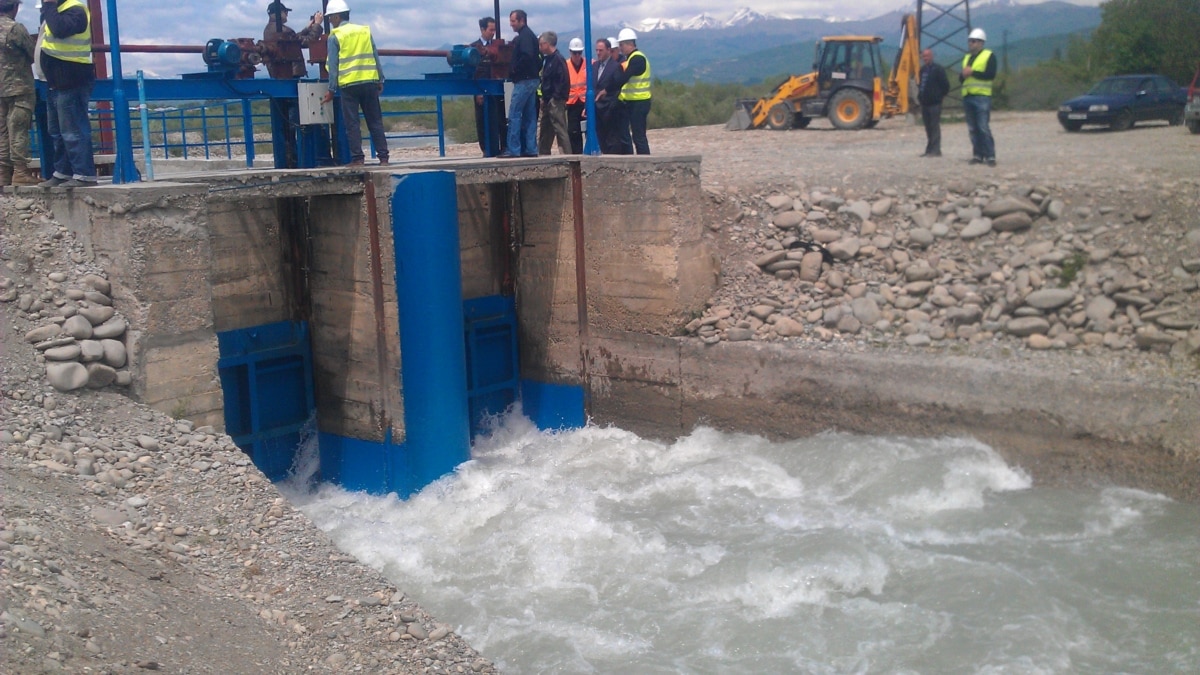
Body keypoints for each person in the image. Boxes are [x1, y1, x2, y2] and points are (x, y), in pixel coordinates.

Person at [320, 0, 388, 166]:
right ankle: (384, 158)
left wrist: (331, 90)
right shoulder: (364, 31)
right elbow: (375, 56)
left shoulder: (335, 36)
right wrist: (380, 79)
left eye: (330, 18)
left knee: (352, 124)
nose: (329, 21)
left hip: (349, 86)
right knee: (375, 121)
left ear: (337, 16)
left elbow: (334, 66)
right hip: (369, 82)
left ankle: (358, 159)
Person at [37, 0, 97, 188]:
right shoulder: (54, 10)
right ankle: (62, 172)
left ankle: (84, 174)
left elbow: (60, 29)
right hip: (55, 81)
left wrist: (48, 6)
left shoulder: (76, 10)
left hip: (72, 79)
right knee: (57, 131)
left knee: (74, 130)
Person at [262, 1, 323, 168]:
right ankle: (298, 160)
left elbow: (294, 39)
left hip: (278, 79)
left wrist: (307, 27)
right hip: (292, 79)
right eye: (285, 13)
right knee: (297, 123)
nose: (287, 16)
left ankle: (288, 161)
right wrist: (317, 26)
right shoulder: (284, 31)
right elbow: (305, 42)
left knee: (284, 125)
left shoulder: (269, 30)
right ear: (279, 14)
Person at [0, 0, 37, 187]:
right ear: (14, 8)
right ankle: (20, 173)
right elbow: (33, 54)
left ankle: (3, 174)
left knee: (3, 131)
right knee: (18, 129)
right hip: (19, 87)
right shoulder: (15, 28)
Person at [499, 9, 538, 158]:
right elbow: (537, 59)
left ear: (521, 20)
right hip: (532, 79)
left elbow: (527, 56)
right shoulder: (531, 36)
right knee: (529, 115)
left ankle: (513, 149)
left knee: (514, 113)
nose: (511, 24)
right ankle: (531, 148)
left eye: (513, 21)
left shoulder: (524, 37)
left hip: (524, 80)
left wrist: (515, 69)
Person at [960, 27, 996, 166]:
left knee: (983, 127)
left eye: (974, 41)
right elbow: (962, 77)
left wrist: (972, 72)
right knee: (972, 129)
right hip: (968, 96)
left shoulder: (989, 55)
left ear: (981, 43)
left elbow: (990, 75)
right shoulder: (967, 58)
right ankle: (978, 155)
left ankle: (990, 155)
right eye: (970, 41)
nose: (971, 44)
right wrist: (963, 75)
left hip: (982, 96)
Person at [470, 16, 505, 156]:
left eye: (494, 30)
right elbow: (474, 71)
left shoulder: (497, 47)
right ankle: (486, 148)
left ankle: (500, 147)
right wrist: (478, 91)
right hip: (481, 87)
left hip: (496, 88)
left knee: (499, 117)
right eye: (490, 30)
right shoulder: (474, 48)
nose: (493, 33)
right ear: (483, 29)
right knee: (482, 118)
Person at [614, 28, 651, 155]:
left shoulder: (637, 59)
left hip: (639, 101)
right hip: (632, 101)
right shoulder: (632, 58)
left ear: (629, 44)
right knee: (635, 135)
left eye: (621, 45)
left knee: (639, 136)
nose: (620, 48)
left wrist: (608, 89)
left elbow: (625, 77)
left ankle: (645, 163)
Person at [536, 30, 570, 155]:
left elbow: (563, 80)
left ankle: (567, 155)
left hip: (555, 101)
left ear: (547, 44)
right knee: (545, 130)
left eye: (541, 44)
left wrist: (555, 98)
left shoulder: (558, 60)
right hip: (547, 100)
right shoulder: (548, 60)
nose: (540, 47)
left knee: (560, 129)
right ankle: (543, 153)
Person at [592, 37, 623, 154]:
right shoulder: (594, 67)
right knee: (601, 137)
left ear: (609, 50)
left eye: (601, 50)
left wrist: (610, 105)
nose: (598, 53)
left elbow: (617, 88)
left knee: (612, 139)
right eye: (597, 50)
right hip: (597, 109)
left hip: (610, 110)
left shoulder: (615, 67)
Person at [917, 48, 949, 158]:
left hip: (935, 103)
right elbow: (920, 85)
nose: (925, 58)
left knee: (934, 126)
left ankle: (936, 150)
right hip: (925, 103)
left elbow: (945, 85)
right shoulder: (922, 70)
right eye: (923, 56)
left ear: (932, 56)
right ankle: (929, 149)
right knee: (928, 127)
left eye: (927, 56)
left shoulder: (938, 69)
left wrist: (939, 97)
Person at [564, 37, 586, 154]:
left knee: (589, 130)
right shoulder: (565, 65)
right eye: (574, 53)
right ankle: (577, 156)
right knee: (573, 132)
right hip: (571, 104)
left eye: (579, 53)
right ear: (570, 52)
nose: (577, 55)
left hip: (585, 104)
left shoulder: (589, 64)